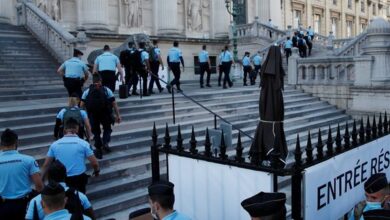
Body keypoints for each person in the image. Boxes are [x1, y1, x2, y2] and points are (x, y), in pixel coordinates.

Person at [42, 119, 100, 193]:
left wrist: (41, 179)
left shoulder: (55, 144)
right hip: (78, 178)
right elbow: (94, 163)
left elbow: (46, 164)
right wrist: (96, 171)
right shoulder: (84, 144)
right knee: (78, 198)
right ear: (77, 129)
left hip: (60, 179)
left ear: (64, 129)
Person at [26, 160, 95, 220]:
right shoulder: (79, 195)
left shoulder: (35, 201)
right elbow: (91, 215)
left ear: (42, 203)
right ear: (65, 200)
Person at [0, 128, 44, 219]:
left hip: (3, 205)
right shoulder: (28, 160)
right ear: (16, 143)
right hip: (24, 205)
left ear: (1, 143)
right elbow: (39, 186)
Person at [80, 74, 121, 159]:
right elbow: (114, 104)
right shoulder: (106, 90)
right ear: (100, 80)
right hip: (105, 113)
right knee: (107, 128)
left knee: (96, 131)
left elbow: (81, 105)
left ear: (93, 81)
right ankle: (105, 142)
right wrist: (118, 115)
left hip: (92, 114)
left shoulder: (87, 91)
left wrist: (84, 116)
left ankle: (98, 147)